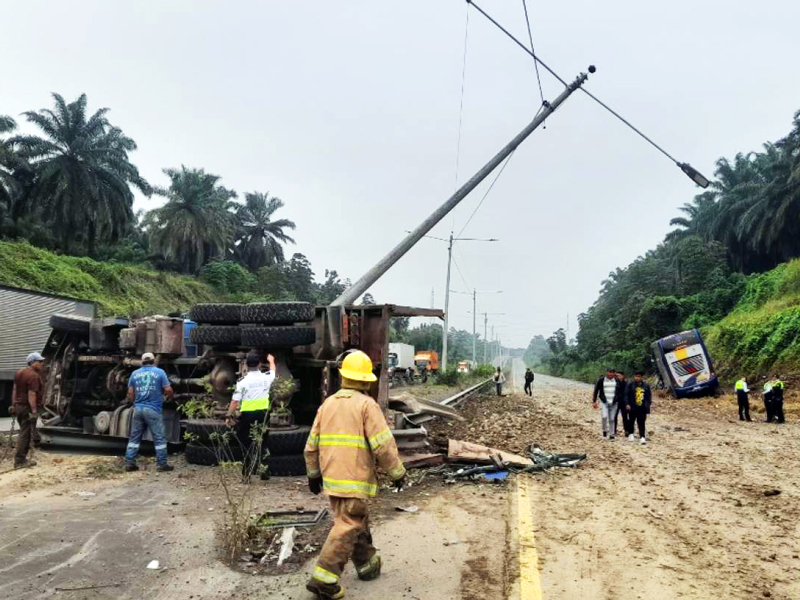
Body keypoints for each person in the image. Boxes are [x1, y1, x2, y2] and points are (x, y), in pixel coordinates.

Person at [304, 350, 406, 599]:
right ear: (365, 380)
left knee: (355, 520)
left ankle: (367, 565)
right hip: (354, 478)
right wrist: (397, 472)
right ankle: (324, 579)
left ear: (343, 377)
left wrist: (313, 474)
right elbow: (383, 444)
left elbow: (311, 445)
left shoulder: (327, 404)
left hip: (332, 479)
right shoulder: (366, 405)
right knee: (349, 523)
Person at [227, 352, 276, 481]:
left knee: (246, 445)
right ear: (259, 364)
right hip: (263, 415)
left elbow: (235, 401)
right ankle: (264, 472)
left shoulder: (242, 381)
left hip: (247, 416)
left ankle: (246, 475)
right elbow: (273, 371)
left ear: (247, 365)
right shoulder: (266, 377)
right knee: (263, 443)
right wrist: (271, 360)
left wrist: (228, 415)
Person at [124, 352, 174, 472]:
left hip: (138, 409)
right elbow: (168, 389)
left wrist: (134, 403)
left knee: (134, 438)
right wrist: (168, 397)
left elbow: (130, 393)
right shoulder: (160, 372)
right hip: (153, 409)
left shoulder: (134, 374)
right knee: (159, 438)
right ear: (153, 361)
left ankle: (129, 463)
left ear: (142, 361)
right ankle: (162, 465)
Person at [12, 352, 45, 469]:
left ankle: (22, 458)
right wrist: (34, 411)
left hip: (19, 406)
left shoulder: (19, 372)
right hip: (27, 408)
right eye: (39, 362)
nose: (42, 363)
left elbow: (15, 389)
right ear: (32, 362)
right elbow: (32, 394)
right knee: (25, 434)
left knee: (24, 431)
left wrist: (13, 404)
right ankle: (20, 461)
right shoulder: (33, 376)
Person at [592, 368, 620, 439]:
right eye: (609, 372)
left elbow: (621, 391)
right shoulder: (601, 380)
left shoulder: (617, 381)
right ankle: (604, 431)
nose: (611, 374)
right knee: (604, 417)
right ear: (607, 372)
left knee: (612, 419)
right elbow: (596, 391)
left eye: (612, 372)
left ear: (614, 373)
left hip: (614, 402)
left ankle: (612, 434)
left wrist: (618, 399)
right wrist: (594, 401)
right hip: (604, 402)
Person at [626, 371, 652, 445]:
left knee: (641, 422)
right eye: (636, 376)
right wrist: (627, 404)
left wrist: (648, 404)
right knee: (631, 421)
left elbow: (648, 396)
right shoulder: (630, 384)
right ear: (634, 376)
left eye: (639, 376)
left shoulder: (646, 385)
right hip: (632, 406)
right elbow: (626, 394)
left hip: (642, 407)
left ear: (641, 377)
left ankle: (642, 437)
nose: (637, 378)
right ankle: (631, 434)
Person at [615, 370, 633, 439]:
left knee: (625, 417)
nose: (617, 377)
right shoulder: (615, 383)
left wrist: (628, 403)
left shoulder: (627, 384)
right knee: (614, 417)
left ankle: (626, 430)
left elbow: (628, 394)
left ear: (623, 376)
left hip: (624, 402)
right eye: (616, 376)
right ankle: (614, 430)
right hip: (616, 402)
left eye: (619, 376)